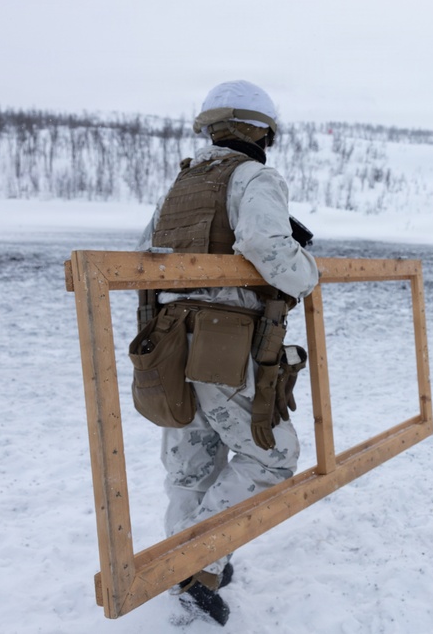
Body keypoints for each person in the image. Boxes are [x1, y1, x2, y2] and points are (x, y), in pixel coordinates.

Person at [136, 80, 319, 625]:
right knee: (272, 456)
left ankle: (185, 565)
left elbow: (146, 256)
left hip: (166, 338)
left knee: (192, 463)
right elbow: (265, 246)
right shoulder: (255, 176)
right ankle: (202, 565)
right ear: (261, 131)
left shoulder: (180, 184)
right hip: (222, 340)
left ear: (211, 128)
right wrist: (305, 272)